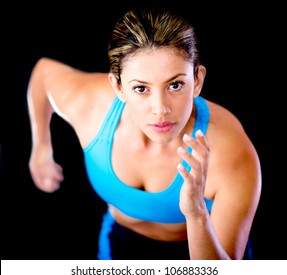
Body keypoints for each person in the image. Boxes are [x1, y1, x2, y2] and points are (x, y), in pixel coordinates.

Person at [26, 7, 261, 260]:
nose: (160, 109)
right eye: (140, 89)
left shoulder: (230, 152)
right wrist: (41, 147)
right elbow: (44, 74)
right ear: (118, 87)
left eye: (175, 84)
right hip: (121, 243)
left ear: (198, 81)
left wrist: (197, 215)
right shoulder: (92, 108)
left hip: (206, 246)